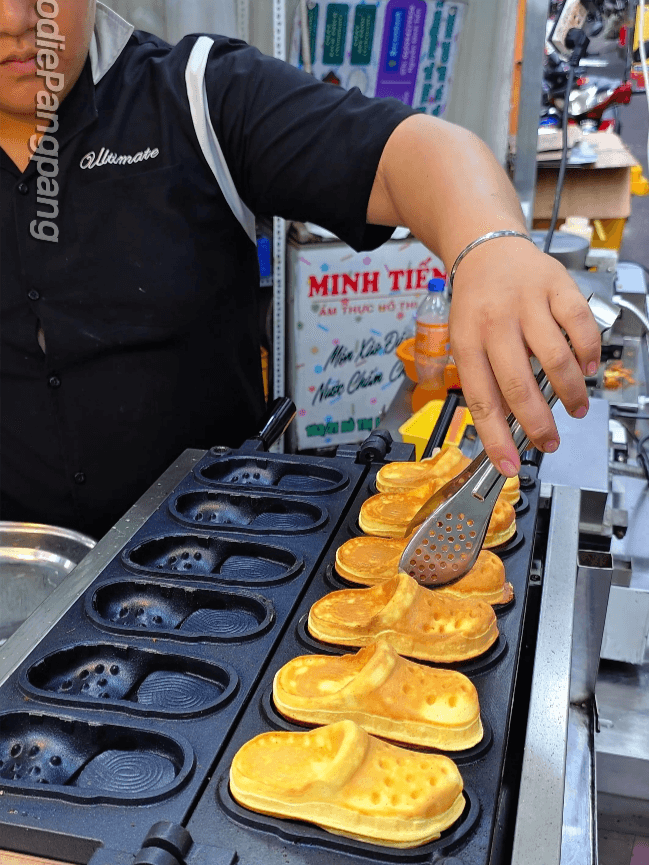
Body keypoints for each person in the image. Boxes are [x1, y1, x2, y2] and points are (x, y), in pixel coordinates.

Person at [1, 0, 601, 539]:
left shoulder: (194, 95)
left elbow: (407, 155)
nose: (16, 20)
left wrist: (489, 244)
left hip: (220, 573)